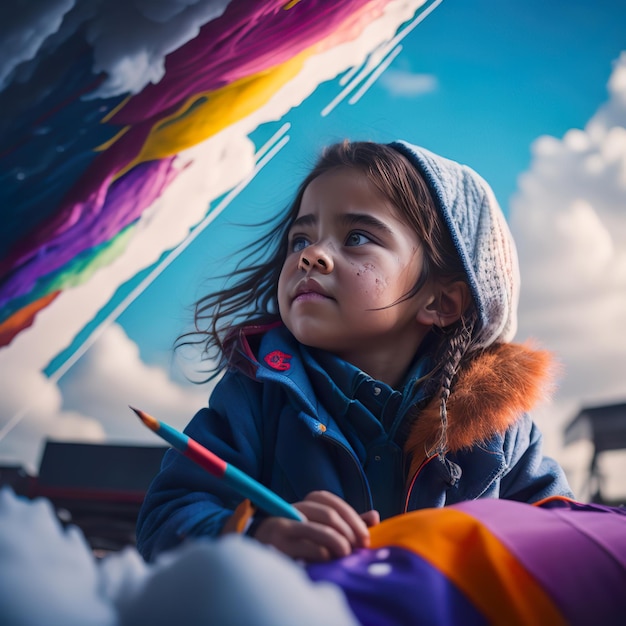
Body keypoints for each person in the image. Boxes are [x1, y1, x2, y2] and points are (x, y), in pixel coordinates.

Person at [136, 140, 573, 563]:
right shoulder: (253, 397)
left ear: (441, 303)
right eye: (300, 240)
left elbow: (570, 546)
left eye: (357, 236)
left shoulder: (501, 429)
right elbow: (166, 518)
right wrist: (258, 536)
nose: (312, 257)